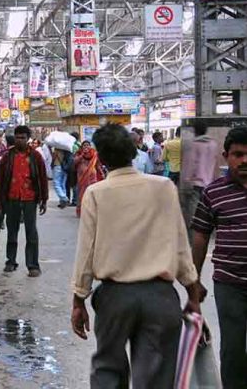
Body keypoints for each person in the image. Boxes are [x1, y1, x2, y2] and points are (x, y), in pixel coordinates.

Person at [71, 123, 201, 388]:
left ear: (102, 158)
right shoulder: (164, 186)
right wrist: (193, 294)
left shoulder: (96, 193)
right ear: (133, 151)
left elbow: (86, 252)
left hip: (114, 299)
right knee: (155, 377)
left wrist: (78, 299)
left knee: (108, 370)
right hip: (160, 297)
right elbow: (180, 244)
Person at [191, 126, 247, 389]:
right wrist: (194, 280)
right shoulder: (213, 192)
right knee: (233, 348)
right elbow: (200, 235)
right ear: (226, 156)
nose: (244, 160)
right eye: (238, 154)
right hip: (230, 283)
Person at [0, 125, 48, 276]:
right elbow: (1, 179)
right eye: (17, 137)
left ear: (28, 139)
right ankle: (11, 261)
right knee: (12, 231)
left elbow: (42, 178)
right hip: (11, 198)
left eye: (23, 138)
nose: (19, 140)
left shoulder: (35, 156)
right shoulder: (8, 156)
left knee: (31, 232)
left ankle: (33, 265)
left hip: (30, 199)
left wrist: (44, 199)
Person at [180, 121, 218, 236]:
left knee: (194, 211)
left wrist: (186, 180)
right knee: (208, 209)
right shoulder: (213, 144)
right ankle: (209, 232)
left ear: (195, 131)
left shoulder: (194, 144)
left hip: (196, 183)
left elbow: (191, 164)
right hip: (209, 183)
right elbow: (215, 163)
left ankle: (195, 236)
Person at [74, 141, 103, 217]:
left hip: (92, 177)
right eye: (84, 145)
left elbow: (98, 165)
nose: (86, 147)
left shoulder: (94, 154)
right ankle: (81, 211)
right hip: (82, 177)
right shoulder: (78, 153)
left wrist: (102, 173)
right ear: (82, 147)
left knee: (92, 194)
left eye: (88, 145)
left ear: (90, 146)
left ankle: (92, 211)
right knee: (82, 194)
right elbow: (75, 162)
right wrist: (82, 154)